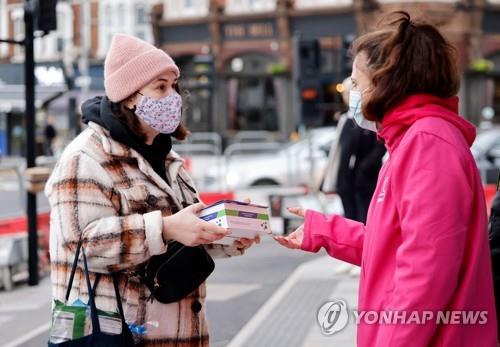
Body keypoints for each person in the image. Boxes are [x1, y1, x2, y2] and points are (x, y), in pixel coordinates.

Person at [275, 11, 498, 346]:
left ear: (388, 82)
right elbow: (395, 246)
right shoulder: (412, 140)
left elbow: (426, 273)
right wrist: (324, 230)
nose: (350, 89)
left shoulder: (427, 143)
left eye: (356, 81)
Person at [45, 34, 259, 347]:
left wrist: (227, 234)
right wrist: (167, 226)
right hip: (119, 335)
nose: (173, 96)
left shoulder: (168, 158)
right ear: (130, 96)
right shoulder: (85, 158)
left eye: (174, 85)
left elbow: (183, 239)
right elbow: (84, 245)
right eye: (160, 87)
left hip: (180, 332)